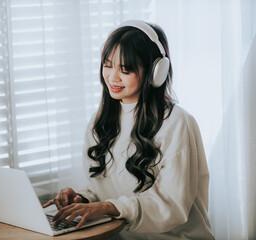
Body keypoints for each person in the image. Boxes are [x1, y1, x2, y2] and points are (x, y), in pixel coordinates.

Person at [43, 20, 214, 239]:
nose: (113, 77)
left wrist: (107, 207)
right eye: (108, 65)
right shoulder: (100, 120)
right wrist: (82, 199)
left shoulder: (177, 122)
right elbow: (104, 189)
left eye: (126, 69)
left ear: (156, 71)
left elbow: (173, 205)